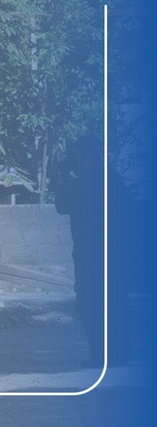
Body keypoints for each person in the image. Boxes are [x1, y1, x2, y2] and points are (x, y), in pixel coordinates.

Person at [53, 135, 129, 367]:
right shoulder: (114, 180)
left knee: (90, 303)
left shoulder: (81, 184)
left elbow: (61, 207)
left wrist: (59, 178)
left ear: (85, 158)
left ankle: (101, 354)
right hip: (115, 253)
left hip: (89, 255)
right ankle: (118, 354)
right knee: (116, 302)